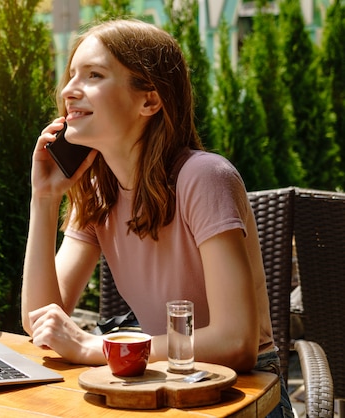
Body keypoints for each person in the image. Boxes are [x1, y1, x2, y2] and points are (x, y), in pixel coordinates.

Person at [21, 19, 293, 417]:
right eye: (71, 74)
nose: (68, 90)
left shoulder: (204, 177)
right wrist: (43, 199)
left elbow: (235, 342)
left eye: (94, 74)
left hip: (242, 392)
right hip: (155, 383)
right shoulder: (100, 192)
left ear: (150, 100)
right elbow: (42, 322)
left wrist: (92, 347)